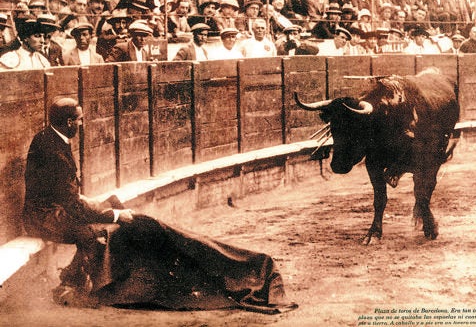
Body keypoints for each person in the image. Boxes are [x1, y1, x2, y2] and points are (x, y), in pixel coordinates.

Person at [23, 98, 293, 313]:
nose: (82, 124)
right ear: (70, 122)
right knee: (96, 233)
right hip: (46, 217)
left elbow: (68, 195)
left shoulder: (51, 137)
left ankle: (74, 283)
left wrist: (104, 207)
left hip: (53, 208)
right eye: (80, 120)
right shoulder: (54, 149)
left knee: (109, 216)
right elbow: (70, 204)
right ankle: (75, 287)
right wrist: (115, 215)